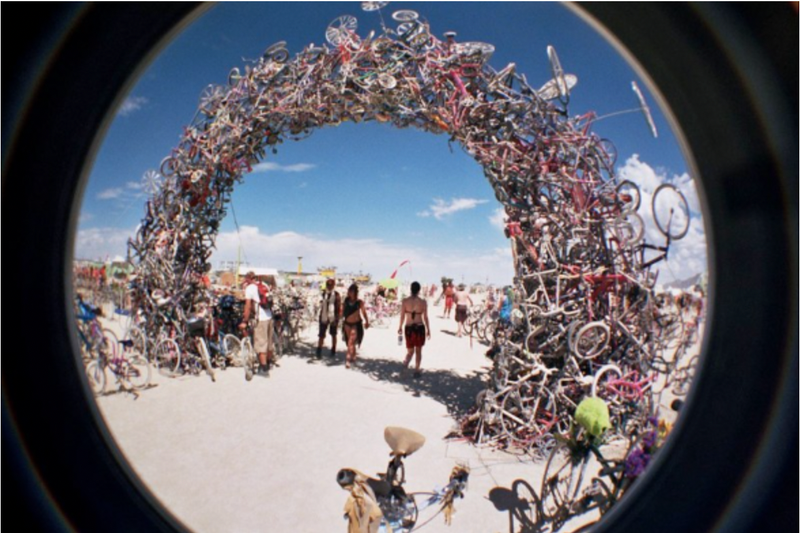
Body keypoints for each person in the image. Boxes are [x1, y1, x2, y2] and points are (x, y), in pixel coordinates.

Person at [239, 271, 274, 377]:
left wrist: (244, 321)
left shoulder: (250, 288)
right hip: (269, 316)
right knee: (269, 343)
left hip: (260, 319)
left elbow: (248, 306)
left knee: (261, 344)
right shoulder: (264, 285)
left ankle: (264, 369)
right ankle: (268, 363)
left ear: (248, 279)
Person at [398, 281, 430, 378]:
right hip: (420, 328)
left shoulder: (405, 301)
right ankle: (416, 370)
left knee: (410, 351)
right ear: (419, 290)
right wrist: (429, 329)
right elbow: (426, 317)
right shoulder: (423, 302)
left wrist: (399, 327)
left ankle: (405, 364)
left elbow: (402, 316)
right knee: (419, 351)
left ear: (411, 289)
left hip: (409, 328)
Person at [341, 284, 370, 369]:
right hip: (346, 324)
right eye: (349, 291)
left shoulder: (359, 302)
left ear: (355, 292)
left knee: (351, 341)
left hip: (355, 324)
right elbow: (342, 311)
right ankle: (353, 355)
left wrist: (367, 321)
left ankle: (348, 360)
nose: (350, 292)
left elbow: (364, 312)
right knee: (350, 342)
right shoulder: (346, 301)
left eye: (352, 291)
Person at [317, 278, 341, 358]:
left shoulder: (336, 295)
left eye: (331, 285)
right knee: (321, 335)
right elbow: (320, 304)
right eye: (328, 285)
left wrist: (337, 318)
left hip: (333, 317)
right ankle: (318, 351)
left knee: (333, 334)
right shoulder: (323, 294)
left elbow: (338, 307)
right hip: (323, 316)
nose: (329, 286)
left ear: (333, 285)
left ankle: (333, 349)